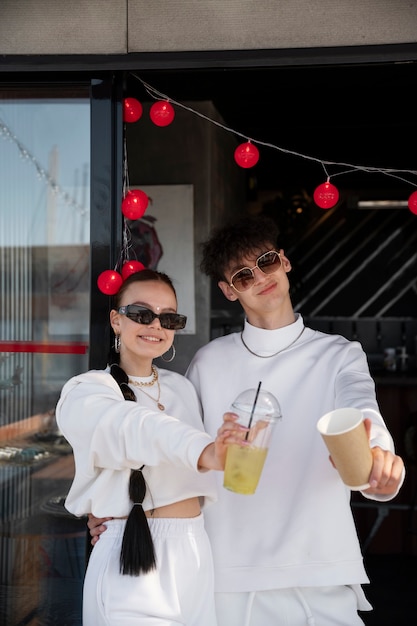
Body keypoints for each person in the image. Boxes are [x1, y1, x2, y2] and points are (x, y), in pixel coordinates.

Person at [89, 216, 405, 626]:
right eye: (243, 274)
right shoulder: (209, 361)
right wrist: (116, 509)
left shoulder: (340, 354)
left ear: (285, 262)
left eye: (267, 261)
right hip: (226, 571)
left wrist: (378, 458)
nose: (260, 277)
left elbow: (360, 406)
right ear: (228, 290)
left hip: (320, 568)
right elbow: (171, 448)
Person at [56, 268, 244, 626]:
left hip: (195, 548)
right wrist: (204, 451)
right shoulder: (88, 389)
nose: (155, 325)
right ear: (116, 320)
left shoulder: (183, 388)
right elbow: (131, 428)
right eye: (141, 314)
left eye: (168, 318)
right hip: (132, 554)